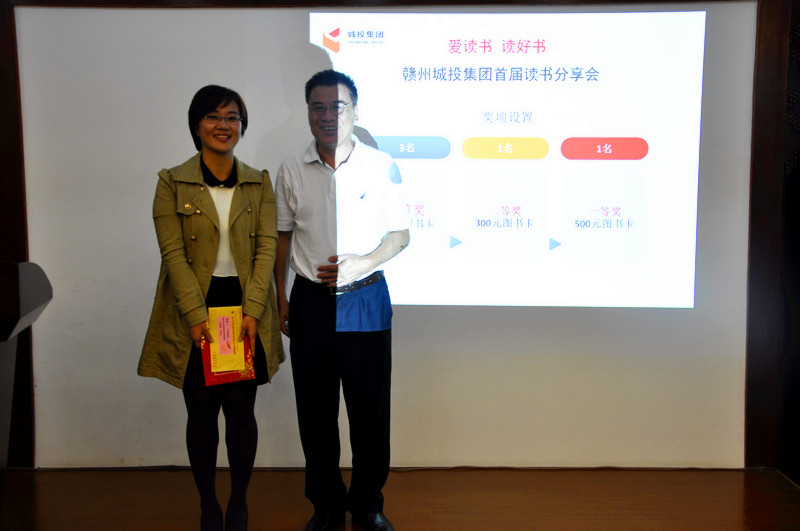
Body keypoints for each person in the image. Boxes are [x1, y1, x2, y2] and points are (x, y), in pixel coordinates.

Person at [138, 85, 284, 531]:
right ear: (197, 125)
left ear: (242, 126)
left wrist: (254, 310)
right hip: (194, 307)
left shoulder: (258, 182)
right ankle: (208, 504)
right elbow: (172, 254)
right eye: (213, 117)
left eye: (232, 117)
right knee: (200, 411)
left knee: (241, 411)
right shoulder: (172, 181)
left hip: (244, 307)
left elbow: (266, 250)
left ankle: (238, 502)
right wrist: (195, 315)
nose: (224, 125)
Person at [274, 70, 410, 531]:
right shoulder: (292, 168)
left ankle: (368, 504)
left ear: (354, 110)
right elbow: (283, 237)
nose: (328, 115)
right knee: (315, 412)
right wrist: (280, 295)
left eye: (338, 106)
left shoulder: (380, 164)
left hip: (364, 297)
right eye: (319, 107)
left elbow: (400, 235)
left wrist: (364, 262)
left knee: (370, 411)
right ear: (308, 112)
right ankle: (327, 504)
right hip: (310, 300)